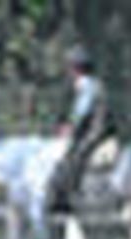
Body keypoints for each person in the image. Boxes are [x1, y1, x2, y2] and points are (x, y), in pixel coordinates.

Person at [46, 44, 113, 220]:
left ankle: (69, 197)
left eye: (70, 67)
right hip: (96, 129)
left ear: (76, 69)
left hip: (96, 132)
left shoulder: (88, 85)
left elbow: (81, 113)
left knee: (74, 156)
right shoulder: (91, 84)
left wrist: (68, 128)